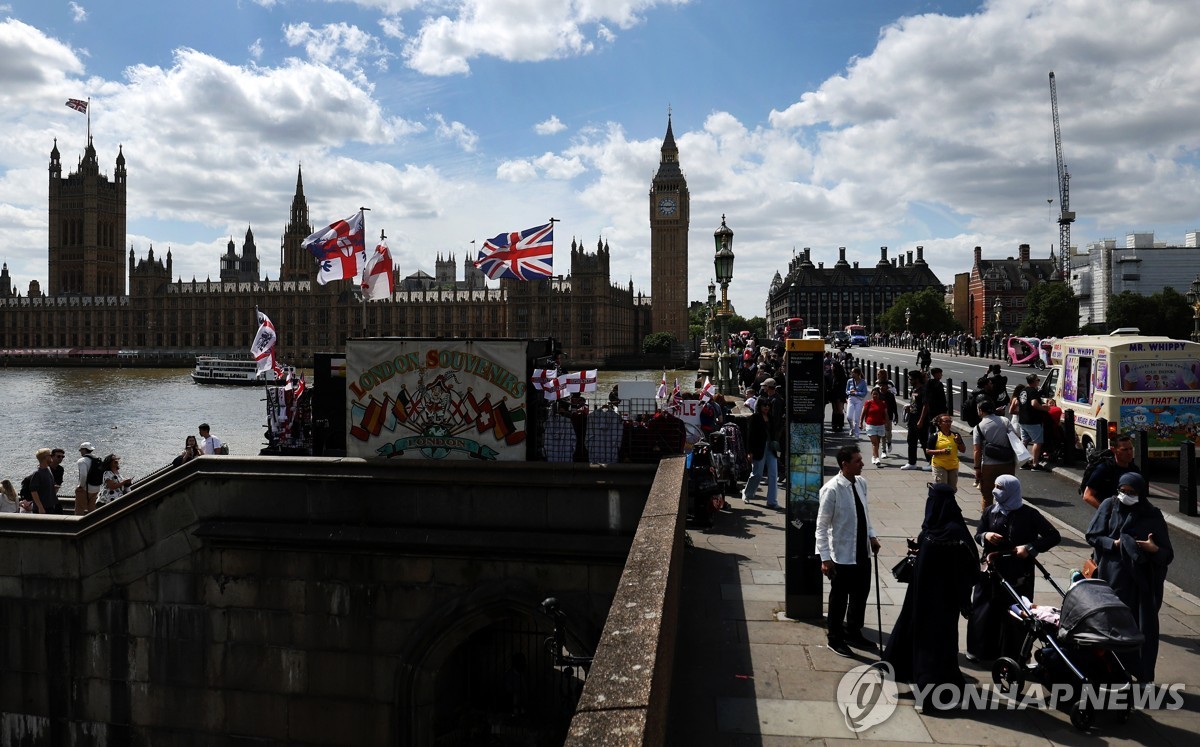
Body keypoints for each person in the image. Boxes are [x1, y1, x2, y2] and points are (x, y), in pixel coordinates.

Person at [882, 483, 980, 702]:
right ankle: (923, 679)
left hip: (940, 602)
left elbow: (969, 566)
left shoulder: (952, 532)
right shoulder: (933, 528)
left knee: (934, 643)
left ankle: (932, 689)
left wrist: (963, 598)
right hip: (923, 599)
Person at [1085, 472, 1173, 682]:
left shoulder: (1152, 515)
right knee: (1111, 629)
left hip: (1142, 587)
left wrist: (1153, 549)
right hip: (1111, 581)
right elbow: (1092, 535)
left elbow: (1167, 554)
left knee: (1141, 631)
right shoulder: (1109, 505)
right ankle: (1110, 672)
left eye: (1132, 492)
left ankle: (1142, 676)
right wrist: (1113, 544)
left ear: (1141, 493)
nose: (1126, 496)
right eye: (1122, 491)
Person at [966, 475, 1061, 663]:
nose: (995, 491)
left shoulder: (1030, 514)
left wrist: (1030, 548)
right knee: (984, 611)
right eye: (995, 486)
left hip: (1018, 572)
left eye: (1000, 487)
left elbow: (1053, 536)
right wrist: (986, 536)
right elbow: (978, 534)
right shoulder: (990, 511)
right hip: (992, 569)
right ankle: (981, 651)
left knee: (1015, 614)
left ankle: (1012, 654)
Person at [815, 445, 881, 657]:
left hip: (861, 551)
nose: (862, 464)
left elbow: (865, 513)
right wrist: (825, 558)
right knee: (839, 599)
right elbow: (821, 526)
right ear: (845, 464)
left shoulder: (861, 483)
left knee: (861, 595)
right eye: (858, 461)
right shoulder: (831, 489)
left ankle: (853, 631)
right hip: (842, 555)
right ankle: (834, 638)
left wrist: (871, 535)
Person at [971, 399, 1017, 512]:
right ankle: (1006, 519)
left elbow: (977, 450)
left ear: (981, 411)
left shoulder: (978, 427)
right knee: (1007, 495)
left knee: (987, 496)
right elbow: (1015, 438)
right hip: (1007, 463)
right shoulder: (1005, 421)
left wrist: (977, 468)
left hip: (988, 466)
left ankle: (987, 521)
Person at [1082, 434, 1143, 509]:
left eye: (1131, 449)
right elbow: (1087, 495)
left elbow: (1140, 495)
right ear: (1113, 450)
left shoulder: (1134, 470)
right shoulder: (1104, 468)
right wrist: (1106, 512)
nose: (1129, 453)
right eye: (1124, 450)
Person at [743, 398, 779, 509]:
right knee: (757, 474)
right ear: (759, 406)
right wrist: (749, 452)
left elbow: (774, 433)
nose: (767, 407)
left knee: (773, 475)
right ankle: (747, 493)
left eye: (768, 405)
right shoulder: (754, 418)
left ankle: (772, 501)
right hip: (758, 449)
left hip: (770, 448)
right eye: (764, 405)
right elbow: (750, 435)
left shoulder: (771, 418)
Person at [1015, 374, 1052, 470]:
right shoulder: (1033, 391)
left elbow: (1019, 403)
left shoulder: (1022, 391)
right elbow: (1034, 403)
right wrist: (1044, 408)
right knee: (1037, 442)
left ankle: (1023, 462)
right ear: (1034, 381)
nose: (1038, 382)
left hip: (1022, 420)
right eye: (1038, 380)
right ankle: (1035, 464)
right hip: (1033, 420)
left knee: (1025, 441)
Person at [925, 414, 965, 490]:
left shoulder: (956, 435)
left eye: (950, 421)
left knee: (952, 489)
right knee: (942, 489)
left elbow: (963, 450)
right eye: (946, 422)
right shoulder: (935, 436)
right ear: (940, 424)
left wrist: (959, 442)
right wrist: (941, 451)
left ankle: (949, 502)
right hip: (939, 465)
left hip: (953, 466)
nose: (948, 424)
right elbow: (928, 451)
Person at [901, 370, 927, 471]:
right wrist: (909, 407)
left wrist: (921, 420)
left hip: (921, 420)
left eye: (911, 379)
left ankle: (930, 462)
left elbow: (926, 405)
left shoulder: (923, 390)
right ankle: (912, 462)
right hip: (912, 419)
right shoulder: (914, 389)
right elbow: (914, 403)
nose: (909, 380)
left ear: (917, 379)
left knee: (924, 441)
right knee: (911, 440)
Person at [859, 387, 889, 466]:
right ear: (871, 394)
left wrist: (887, 424)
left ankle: (873, 456)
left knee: (877, 443)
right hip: (870, 425)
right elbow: (863, 413)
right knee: (874, 442)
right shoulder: (868, 403)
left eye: (876, 394)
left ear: (879, 395)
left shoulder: (883, 403)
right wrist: (860, 422)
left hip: (880, 425)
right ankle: (877, 458)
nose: (875, 395)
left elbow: (885, 414)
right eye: (873, 394)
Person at [29, 447, 62, 515]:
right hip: (43, 508)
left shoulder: (48, 470)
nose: (52, 457)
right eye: (50, 455)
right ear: (45, 457)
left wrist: (53, 487)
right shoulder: (37, 473)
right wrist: (40, 507)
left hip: (51, 506)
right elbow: (33, 491)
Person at [875, 371, 898, 457]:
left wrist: (896, 415)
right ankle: (883, 450)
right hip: (880, 416)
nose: (881, 387)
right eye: (880, 385)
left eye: (883, 386)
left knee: (888, 432)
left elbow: (894, 406)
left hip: (889, 415)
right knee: (882, 433)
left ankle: (889, 442)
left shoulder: (890, 394)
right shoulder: (877, 392)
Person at [76, 441, 100, 515]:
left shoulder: (82, 461)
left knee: (79, 508)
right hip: (96, 487)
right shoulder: (97, 459)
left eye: (81, 450)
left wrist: (80, 486)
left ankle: (78, 524)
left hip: (86, 488)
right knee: (92, 508)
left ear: (84, 450)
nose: (80, 452)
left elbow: (83, 475)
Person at [845, 368, 868, 439]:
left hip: (859, 400)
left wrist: (856, 393)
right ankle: (852, 428)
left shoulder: (863, 382)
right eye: (852, 373)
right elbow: (846, 391)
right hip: (851, 399)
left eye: (853, 373)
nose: (852, 374)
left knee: (857, 418)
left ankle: (857, 435)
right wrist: (850, 392)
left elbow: (864, 392)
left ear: (858, 374)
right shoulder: (849, 381)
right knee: (849, 416)